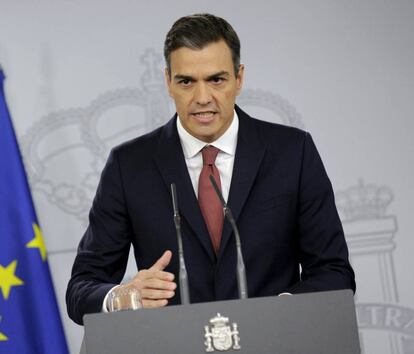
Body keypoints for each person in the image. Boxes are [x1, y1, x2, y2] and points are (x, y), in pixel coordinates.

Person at [66, 13, 355, 325]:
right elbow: (81, 290)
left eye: (216, 80)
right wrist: (123, 297)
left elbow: (334, 272)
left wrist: (284, 311)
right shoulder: (129, 165)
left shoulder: (292, 153)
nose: (202, 98)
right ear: (168, 82)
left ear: (239, 78)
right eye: (186, 81)